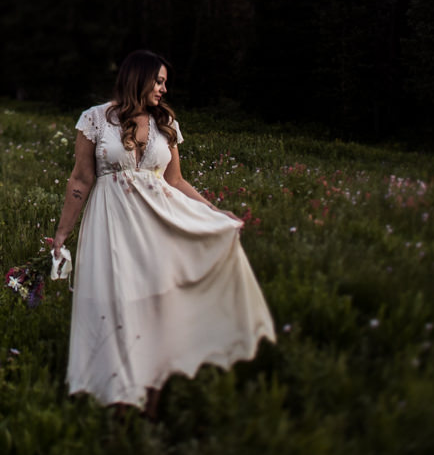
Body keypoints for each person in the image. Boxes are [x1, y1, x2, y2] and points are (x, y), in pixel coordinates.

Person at [45, 49, 275, 416]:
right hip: (112, 223)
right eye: (160, 81)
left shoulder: (164, 122)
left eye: (166, 83)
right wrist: (62, 234)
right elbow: (81, 179)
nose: (164, 89)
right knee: (116, 305)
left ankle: (149, 401)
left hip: (159, 224)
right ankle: (117, 398)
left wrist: (214, 212)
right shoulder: (95, 119)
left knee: (155, 308)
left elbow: (176, 180)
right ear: (139, 77)